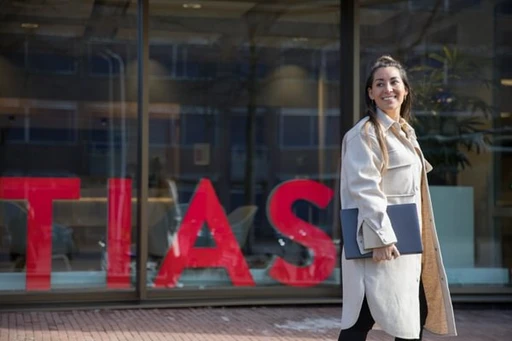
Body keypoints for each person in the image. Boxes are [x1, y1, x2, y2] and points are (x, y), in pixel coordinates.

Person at [337, 55, 457, 340]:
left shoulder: (405, 133)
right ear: (370, 92)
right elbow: (365, 189)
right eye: (379, 84)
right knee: (362, 320)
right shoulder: (365, 135)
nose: (387, 89)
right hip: (382, 245)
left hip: (406, 247)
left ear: (405, 90)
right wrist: (382, 239)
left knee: (410, 316)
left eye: (394, 82)